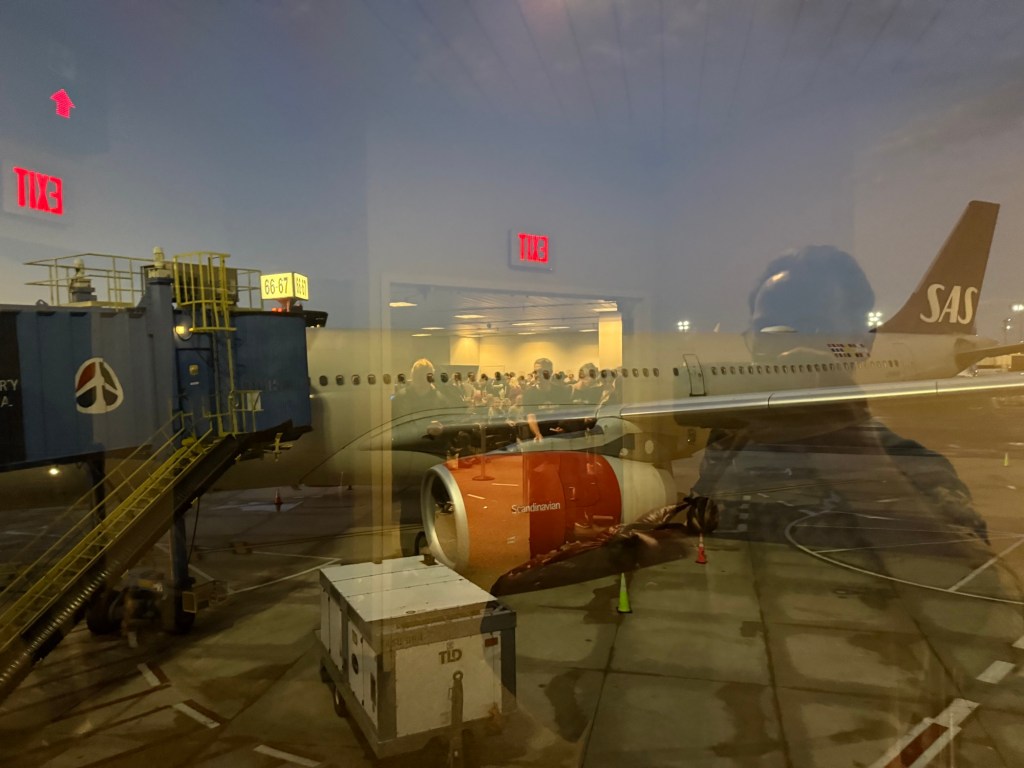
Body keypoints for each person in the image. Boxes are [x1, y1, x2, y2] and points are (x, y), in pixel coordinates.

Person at [521, 357, 572, 441]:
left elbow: (566, 412)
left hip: (559, 436)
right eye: (535, 372)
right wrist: (538, 434)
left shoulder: (561, 391)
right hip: (539, 437)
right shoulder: (529, 393)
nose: (538, 375)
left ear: (551, 372)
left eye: (542, 372)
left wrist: (563, 427)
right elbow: (531, 417)